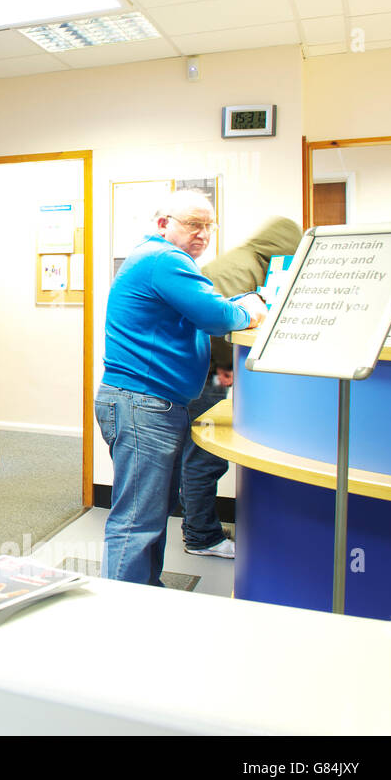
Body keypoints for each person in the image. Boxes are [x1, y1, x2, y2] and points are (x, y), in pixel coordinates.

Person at [96, 191, 267, 585]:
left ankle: (144, 593)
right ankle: (121, 611)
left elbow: (207, 306)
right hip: (142, 405)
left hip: (148, 404)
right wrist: (252, 309)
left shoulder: (163, 262)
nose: (203, 233)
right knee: (137, 520)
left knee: (151, 513)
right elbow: (217, 316)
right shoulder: (164, 260)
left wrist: (238, 302)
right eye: (193, 223)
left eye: (209, 226)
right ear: (163, 224)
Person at [179, 217, 301, 557]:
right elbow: (219, 323)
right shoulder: (246, 269)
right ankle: (201, 536)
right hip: (206, 371)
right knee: (205, 456)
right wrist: (225, 367)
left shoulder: (240, 260)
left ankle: (197, 529)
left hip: (198, 369)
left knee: (196, 455)